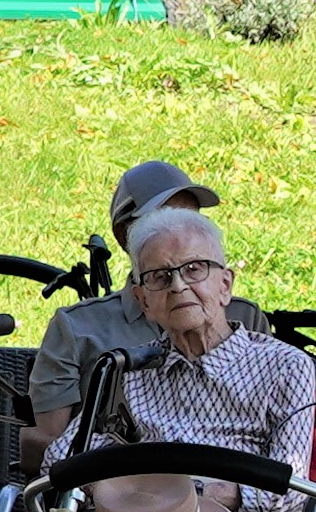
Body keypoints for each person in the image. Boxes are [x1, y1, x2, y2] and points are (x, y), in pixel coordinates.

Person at [36, 210, 316, 512]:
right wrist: (120, 491)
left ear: (225, 285)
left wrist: (199, 494)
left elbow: (290, 490)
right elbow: (62, 457)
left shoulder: (284, 365)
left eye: (194, 269)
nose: (178, 285)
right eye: (159, 276)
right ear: (143, 301)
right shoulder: (132, 374)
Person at [29, 160, 226, 415]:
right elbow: (43, 441)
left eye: (191, 219)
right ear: (124, 235)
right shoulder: (76, 328)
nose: (182, 234)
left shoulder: (241, 317)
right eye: (164, 221)